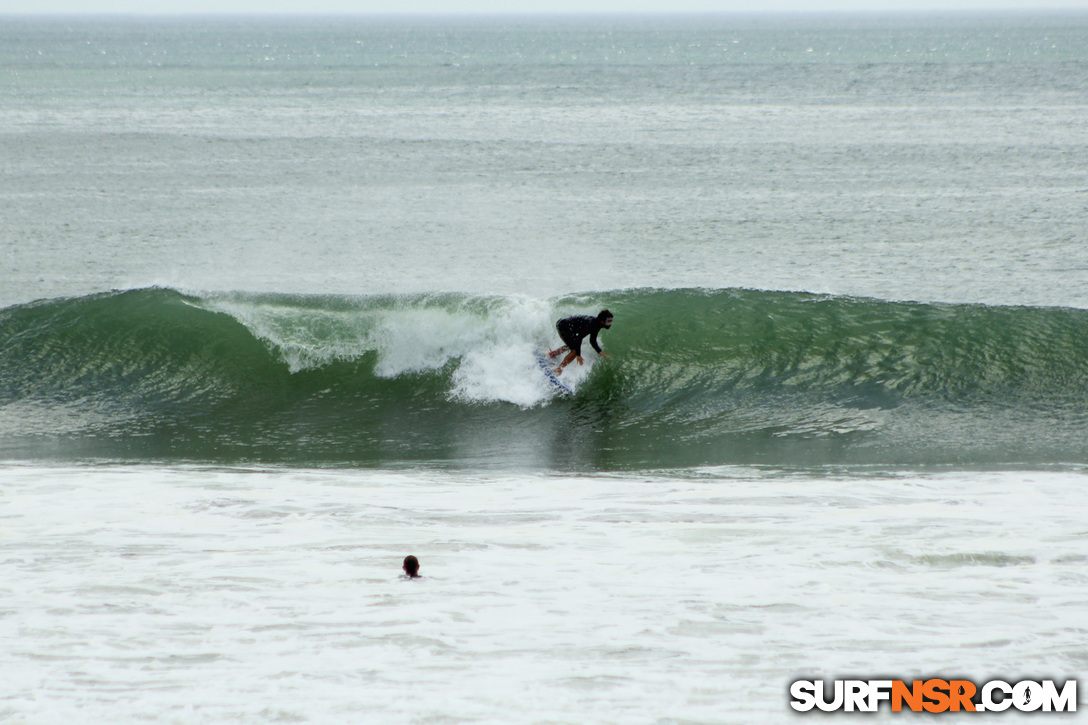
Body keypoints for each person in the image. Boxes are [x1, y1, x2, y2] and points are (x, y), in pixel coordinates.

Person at [548, 309, 613, 376]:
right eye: (609, 321)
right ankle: (558, 369)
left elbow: (592, 340)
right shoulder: (592, 324)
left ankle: (553, 354)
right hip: (564, 325)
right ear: (602, 321)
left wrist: (600, 352)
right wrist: (578, 355)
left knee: (573, 344)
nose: (610, 323)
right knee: (575, 351)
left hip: (565, 324)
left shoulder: (597, 324)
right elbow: (579, 338)